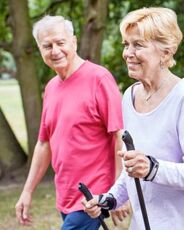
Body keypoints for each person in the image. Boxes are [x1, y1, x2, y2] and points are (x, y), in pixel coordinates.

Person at [82, 7, 184, 229]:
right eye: (126, 44)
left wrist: (152, 168)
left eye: (137, 45)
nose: (128, 53)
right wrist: (109, 199)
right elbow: (134, 168)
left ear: (166, 52)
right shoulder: (129, 97)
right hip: (147, 221)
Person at [14, 15, 127, 229]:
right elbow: (44, 143)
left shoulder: (99, 79)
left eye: (60, 42)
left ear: (73, 42)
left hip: (92, 196)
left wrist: (118, 191)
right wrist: (27, 192)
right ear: (40, 50)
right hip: (65, 196)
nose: (55, 50)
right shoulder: (51, 88)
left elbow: (119, 134)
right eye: (47, 46)